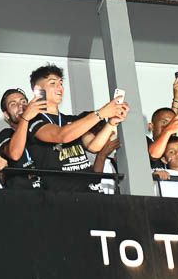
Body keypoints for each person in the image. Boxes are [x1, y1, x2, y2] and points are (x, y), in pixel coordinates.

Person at [25, 63, 128, 192]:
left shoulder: (71, 120)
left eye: (61, 83)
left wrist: (111, 123)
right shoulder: (33, 121)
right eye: (53, 83)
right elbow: (62, 135)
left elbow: (93, 146)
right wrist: (101, 113)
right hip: (61, 195)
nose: (59, 87)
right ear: (38, 90)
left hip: (89, 191)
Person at [0, 88, 44, 189]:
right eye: (13, 104)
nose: (20, 106)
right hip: (20, 194)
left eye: (23, 102)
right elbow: (14, 154)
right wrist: (25, 118)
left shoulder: (40, 129)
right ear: (6, 115)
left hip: (47, 192)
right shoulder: (5, 134)